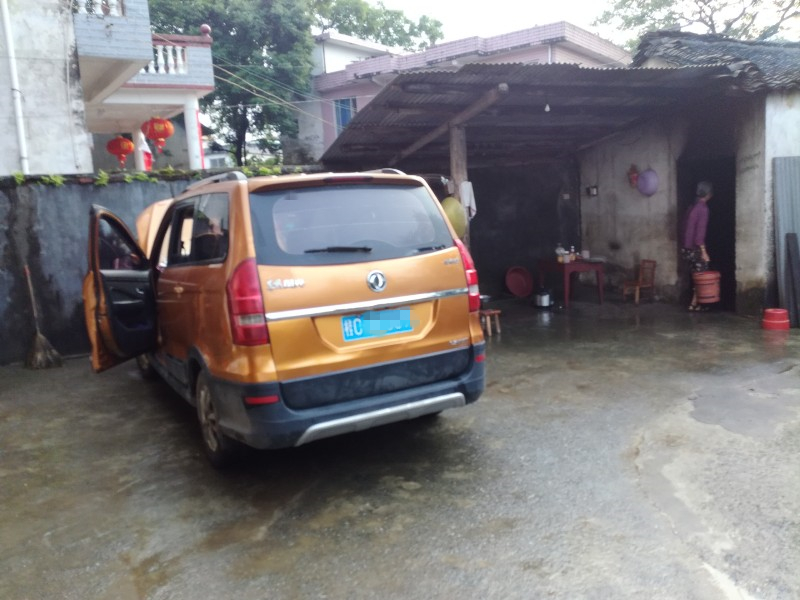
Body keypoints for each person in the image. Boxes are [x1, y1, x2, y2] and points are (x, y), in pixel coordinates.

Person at [681, 181, 713, 311]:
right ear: (709, 194)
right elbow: (699, 235)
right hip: (695, 248)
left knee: (695, 275)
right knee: (701, 274)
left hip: (686, 248)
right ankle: (697, 303)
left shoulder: (691, 207)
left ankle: (694, 303)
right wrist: (704, 252)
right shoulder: (703, 209)